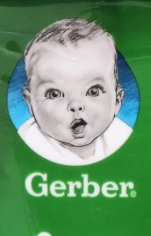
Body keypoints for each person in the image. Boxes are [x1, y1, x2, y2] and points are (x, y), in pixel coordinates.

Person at [19, 18, 131, 165]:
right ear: (30, 102)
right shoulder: (28, 143)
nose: (76, 105)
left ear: (117, 101)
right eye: (55, 94)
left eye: (93, 91)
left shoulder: (121, 135)